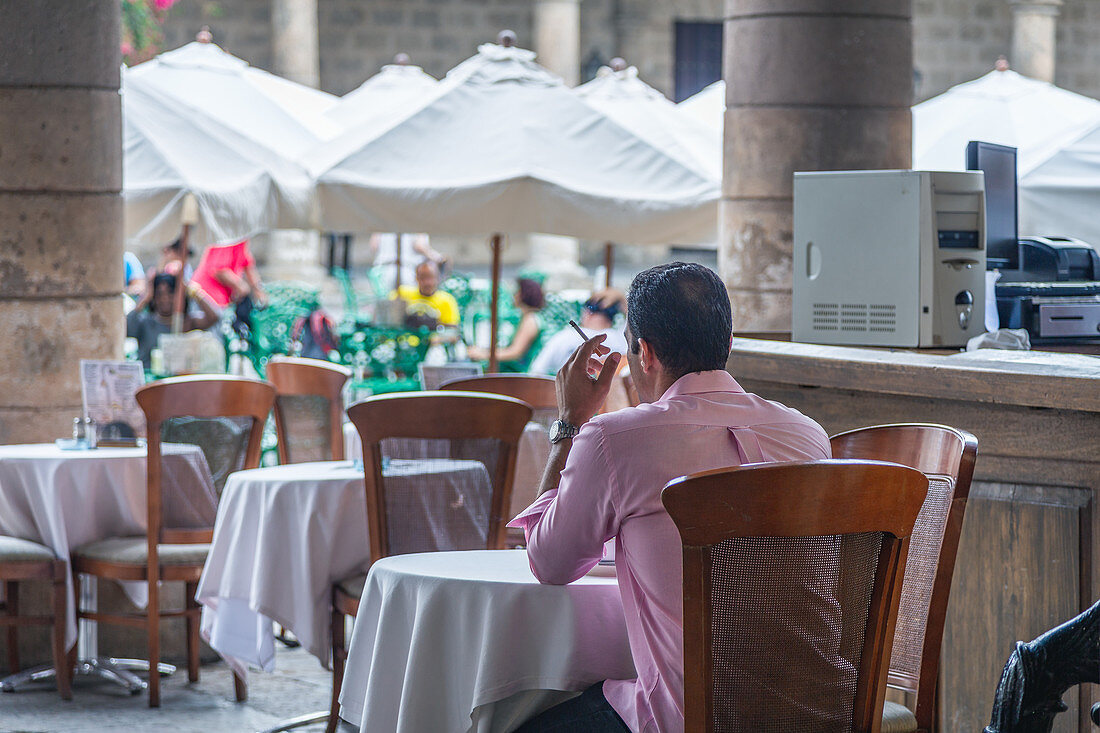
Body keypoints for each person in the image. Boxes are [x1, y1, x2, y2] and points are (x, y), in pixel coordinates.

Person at [509, 263, 831, 733]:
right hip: (818, 711)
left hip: (689, 717)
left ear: (644, 351)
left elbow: (549, 563)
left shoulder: (614, 440)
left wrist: (570, 423)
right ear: (728, 344)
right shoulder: (809, 436)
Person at [126, 272, 220, 368]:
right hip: (152, 380)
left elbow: (214, 317)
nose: (165, 298)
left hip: (179, 380)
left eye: (170, 293)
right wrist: (144, 298)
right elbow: (125, 329)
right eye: (159, 294)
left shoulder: (187, 322)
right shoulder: (145, 322)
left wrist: (191, 290)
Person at [528, 295, 627, 376]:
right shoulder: (622, 338)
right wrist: (620, 296)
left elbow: (537, 371)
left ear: (587, 313)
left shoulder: (565, 337)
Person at [466, 278, 546, 371]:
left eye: (517, 292)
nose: (513, 295)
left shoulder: (531, 320)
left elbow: (515, 352)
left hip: (518, 376)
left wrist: (483, 354)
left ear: (522, 295)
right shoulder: (527, 318)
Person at [390, 259, 460, 328]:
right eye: (422, 277)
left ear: (438, 278)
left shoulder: (446, 300)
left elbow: (452, 330)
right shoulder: (402, 293)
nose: (427, 282)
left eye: (430, 277)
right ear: (416, 278)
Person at [369, 232, 446, 291]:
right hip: (406, 270)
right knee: (408, 305)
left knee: (385, 304)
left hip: (382, 271)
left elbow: (373, 246)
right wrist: (437, 257)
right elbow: (419, 246)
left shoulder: (382, 217)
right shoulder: (416, 218)